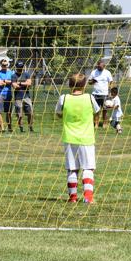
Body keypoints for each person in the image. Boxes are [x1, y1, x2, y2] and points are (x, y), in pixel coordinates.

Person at [55, 72, 98, 204]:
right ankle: (88, 198)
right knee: (88, 168)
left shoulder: (64, 98)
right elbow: (97, 111)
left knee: (72, 169)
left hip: (69, 138)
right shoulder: (90, 98)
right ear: (84, 85)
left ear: (69, 84)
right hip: (86, 139)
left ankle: (72, 198)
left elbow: (58, 113)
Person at [88, 59, 113, 128]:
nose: (99, 68)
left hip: (105, 94)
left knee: (105, 110)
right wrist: (92, 82)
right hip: (95, 94)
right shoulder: (93, 72)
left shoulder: (107, 72)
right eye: (98, 66)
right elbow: (89, 82)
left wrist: (110, 92)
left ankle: (104, 124)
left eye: (101, 67)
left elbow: (110, 82)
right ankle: (96, 124)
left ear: (104, 66)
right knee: (96, 110)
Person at [11, 60, 35, 132]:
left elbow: (29, 84)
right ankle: (21, 128)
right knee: (19, 115)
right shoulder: (13, 76)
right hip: (18, 97)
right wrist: (25, 83)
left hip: (26, 96)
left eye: (21, 67)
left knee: (30, 113)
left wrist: (20, 83)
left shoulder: (26, 74)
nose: (20, 69)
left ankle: (30, 127)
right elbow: (14, 86)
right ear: (16, 67)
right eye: (19, 67)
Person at [0, 59, 15, 132]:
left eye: (6, 65)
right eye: (3, 65)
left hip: (9, 94)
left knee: (8, 112)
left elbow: (13, 81)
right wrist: (8, 81)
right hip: (0, 94)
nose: (5, 66)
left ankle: (9, 127)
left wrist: (4, 81)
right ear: (1, 65)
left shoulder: (11, 72)